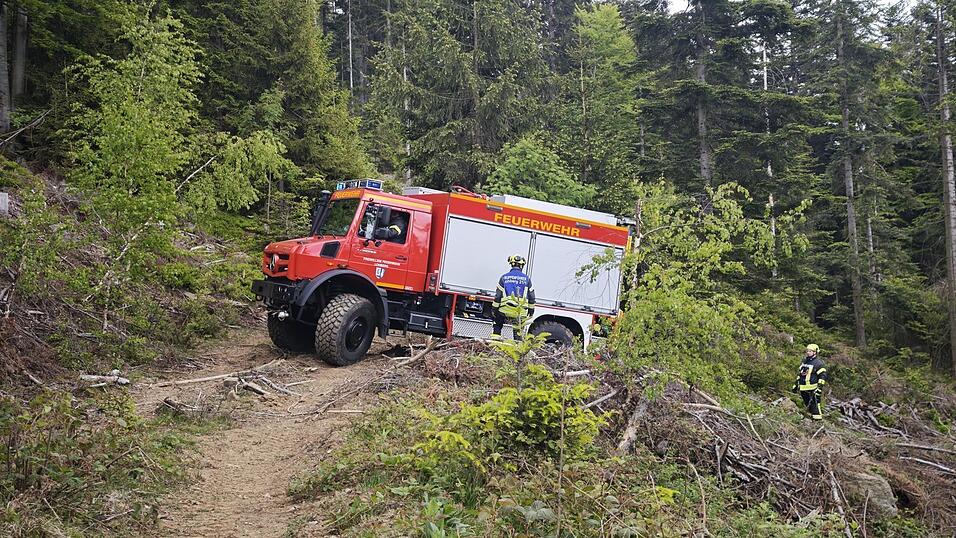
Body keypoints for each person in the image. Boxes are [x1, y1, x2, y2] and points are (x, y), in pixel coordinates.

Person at [490, 255, 536, 340]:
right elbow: (532, 297)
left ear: (511, 264)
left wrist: (494, 310)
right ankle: (517, 349)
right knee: (518, 333)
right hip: (519, 312)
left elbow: (498, 296)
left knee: (497, 325)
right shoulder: (527, 279)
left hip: (504, 310)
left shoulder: (504, 277)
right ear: (522, 266)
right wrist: (531, 310)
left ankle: (495, 343)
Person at [792, 343, 828, 420]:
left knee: (815, 406)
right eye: (807, 351)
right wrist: (796, 384)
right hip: (803, 388)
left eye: (810, 351)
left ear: (815, 352)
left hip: (813, 389)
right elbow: (801, 374)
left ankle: (818, 421)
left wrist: (819, 388)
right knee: (808, 405)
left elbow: (823, 376)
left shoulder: (818, 363)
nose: (808, 352)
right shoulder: (805, 361)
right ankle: (812, 419)